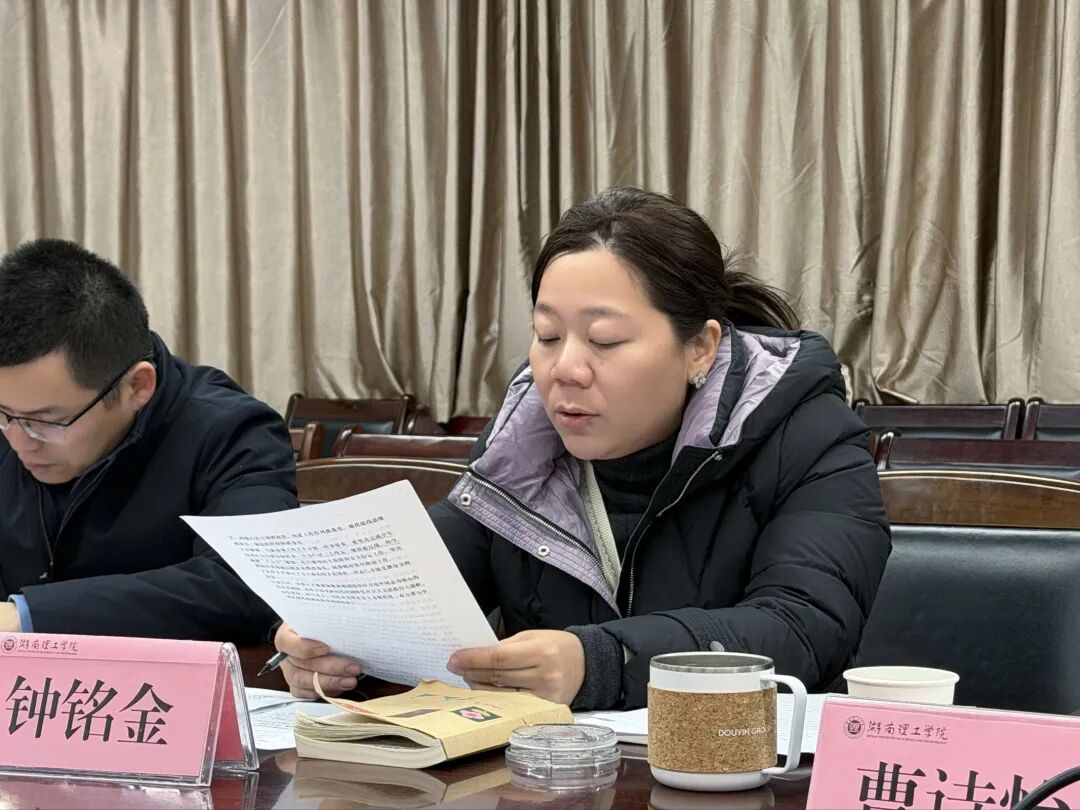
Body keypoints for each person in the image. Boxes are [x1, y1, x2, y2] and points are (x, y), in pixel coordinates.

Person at [275, 188, 891, 709]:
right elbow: (420, 581)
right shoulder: (526, 444)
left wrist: (603, 661)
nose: (564, 369)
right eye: (547, 336)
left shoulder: (808, 437)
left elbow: (804, 629)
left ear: (700, 348)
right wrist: (332, 639)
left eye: (605, 340)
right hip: (553, 782)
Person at [0, 239, 296, 640]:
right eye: (4, 414)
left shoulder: (231, 431)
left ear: (137, 386)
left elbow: (248, 582)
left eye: (45, 421)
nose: (20, 442)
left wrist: (28, 616)